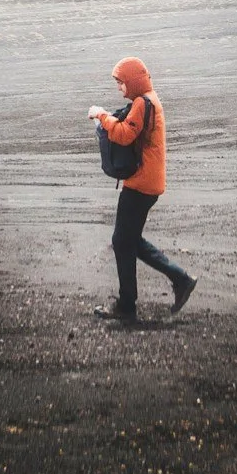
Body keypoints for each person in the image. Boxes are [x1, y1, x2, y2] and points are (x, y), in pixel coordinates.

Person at [86, 53, 197, 325]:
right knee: (129, 240)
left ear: (133, 81)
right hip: (148, 182)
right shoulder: (148, 100)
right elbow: (130, 129)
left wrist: (101, 115)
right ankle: (179, 280)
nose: (119, 87)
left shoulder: (142, 103)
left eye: (121, 82)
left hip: (141, 184)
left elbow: (124, 134)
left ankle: (128, 305)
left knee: (122, 241)